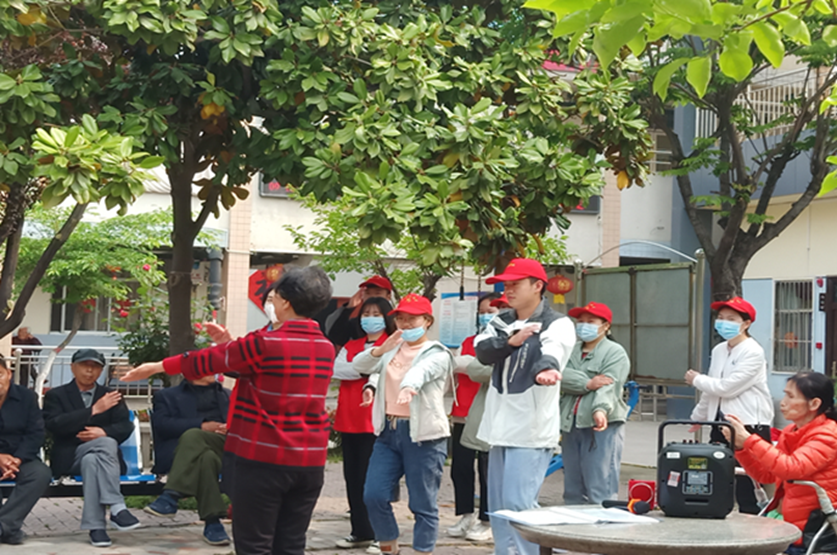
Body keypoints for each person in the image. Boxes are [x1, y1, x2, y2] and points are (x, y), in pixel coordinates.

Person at [121, 266, 335, 555]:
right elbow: (254, 365)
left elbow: (209, 360)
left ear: (285, 302)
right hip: (309, 462)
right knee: (291, 544)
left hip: (263, 460)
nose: (271, 302)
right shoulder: (324, 347)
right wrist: (230, 344)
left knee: (254, 546)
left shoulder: (265, 343)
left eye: (274, 297)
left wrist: (157, 366)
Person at [473, 258, 575, 555]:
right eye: (506, 284)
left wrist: (548, 369)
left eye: (516, 284)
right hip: (498, 427)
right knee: (498, 507)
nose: (509, 290)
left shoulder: (557, 323)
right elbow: (483, 351)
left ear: (538, 285)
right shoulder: (501, 320)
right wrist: (511, 342)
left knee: (519, 506)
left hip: (530, 429)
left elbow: (553, 350)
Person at [354, 293, 454, 555]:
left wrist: (409, 387)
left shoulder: (438, 353)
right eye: (400, 318)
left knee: (422, 503)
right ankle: (389, 547)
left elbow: (422, 371)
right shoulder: (392, 349)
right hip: (388, 431)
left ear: (427, 321)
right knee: (373, 495)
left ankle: (423, 550)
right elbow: (361, 365)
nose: (405, 324)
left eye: (412, 319)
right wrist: (379, 352)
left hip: (423, 436)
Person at [723, 372, 837, 555]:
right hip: (785, 520)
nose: (783, 402)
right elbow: (767, 475)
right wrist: (740, 447)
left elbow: (790, 468)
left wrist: (750, 440)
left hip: (812, 528)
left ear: (814, 404)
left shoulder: (828, 435)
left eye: (791, 396)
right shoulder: (791, 431)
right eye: (785, 395)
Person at [42, 348, 140, 548]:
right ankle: (117, 506)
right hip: (69, 457)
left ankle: (97, 528)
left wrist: (103, 432)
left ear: (101, 370)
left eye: (95, 367)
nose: (89, 371)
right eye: (84, 366)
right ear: (73, 368)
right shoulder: (56, 395)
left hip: (104, 461)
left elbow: (125, 426)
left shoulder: (111, 395)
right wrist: (94, 410)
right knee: (106, 443)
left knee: (93, 460)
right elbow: (54, 425)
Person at [685, 296, 774, 514]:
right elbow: (712, 388)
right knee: (717, 477)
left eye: (731, 319)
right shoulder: (719, 350)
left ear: (746, 323)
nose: (724, 322)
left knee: (748, 483)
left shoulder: (753, 351)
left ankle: (753, 522)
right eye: (721, 317)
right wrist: (699, 417)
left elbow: (727, 387)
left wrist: (696, 379)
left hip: (748, 424)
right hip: (721, 423)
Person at [332, 297, 395, 550]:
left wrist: (360, 367)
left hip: (374, 420)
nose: (370, 318)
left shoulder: (391, 344)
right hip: (349, 417)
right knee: (353, 478)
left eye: (376, 314)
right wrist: (364, 368)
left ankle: (380, 533)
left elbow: (383, 371)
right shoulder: (352, 344)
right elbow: (337, 370)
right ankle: (360, 531)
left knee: (374, 481)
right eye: (366, 313)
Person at [145, 374, 232, 546]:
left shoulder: (228, 395)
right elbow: (161, 425)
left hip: (223, 447)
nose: (214, 371)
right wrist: (201, 425)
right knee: (205, 457)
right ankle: (213, 522)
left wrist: (229, 428)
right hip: (182, 452)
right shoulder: (167, 396)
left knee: (194, 436)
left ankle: (171, 495)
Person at [559, 302, 630, 505]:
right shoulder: (570, 350)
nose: (584, 326)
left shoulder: (614, 352)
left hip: (601, 425)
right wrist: (588, 383)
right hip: (570, 422)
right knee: (572, 484)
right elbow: (559, 375)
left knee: (600, 483)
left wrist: (600, 410)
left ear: (605, 326)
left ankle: (603, 522)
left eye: (591, 322)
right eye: (581, 321)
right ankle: (574, 521)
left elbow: (609, 384)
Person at [447, 292, 503, 543]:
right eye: (482, 312)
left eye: (491, 311)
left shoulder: (504, 344)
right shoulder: (468, 342)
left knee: (487, 470)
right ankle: (465, 514)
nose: (486, 316)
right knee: (460, 468)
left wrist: (469, 366)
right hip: (462, 413)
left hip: (489, 414)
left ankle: (487, 520)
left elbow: (486, 372)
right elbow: (455, 368)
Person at [0, 358, 51, 545]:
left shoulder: (27, 397)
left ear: (8, 374)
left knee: (40, 474)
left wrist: (17, 459)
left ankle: (3, 526)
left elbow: (35, 433)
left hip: (20, 456)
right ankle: (9, 530)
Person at [325, 276, 393, 349]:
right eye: (368, 293)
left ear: (388, 296)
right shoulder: (358, 322)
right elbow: (337, 337)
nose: (372, 297)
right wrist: (348, 309)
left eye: (377, 293)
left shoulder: (397, 319)